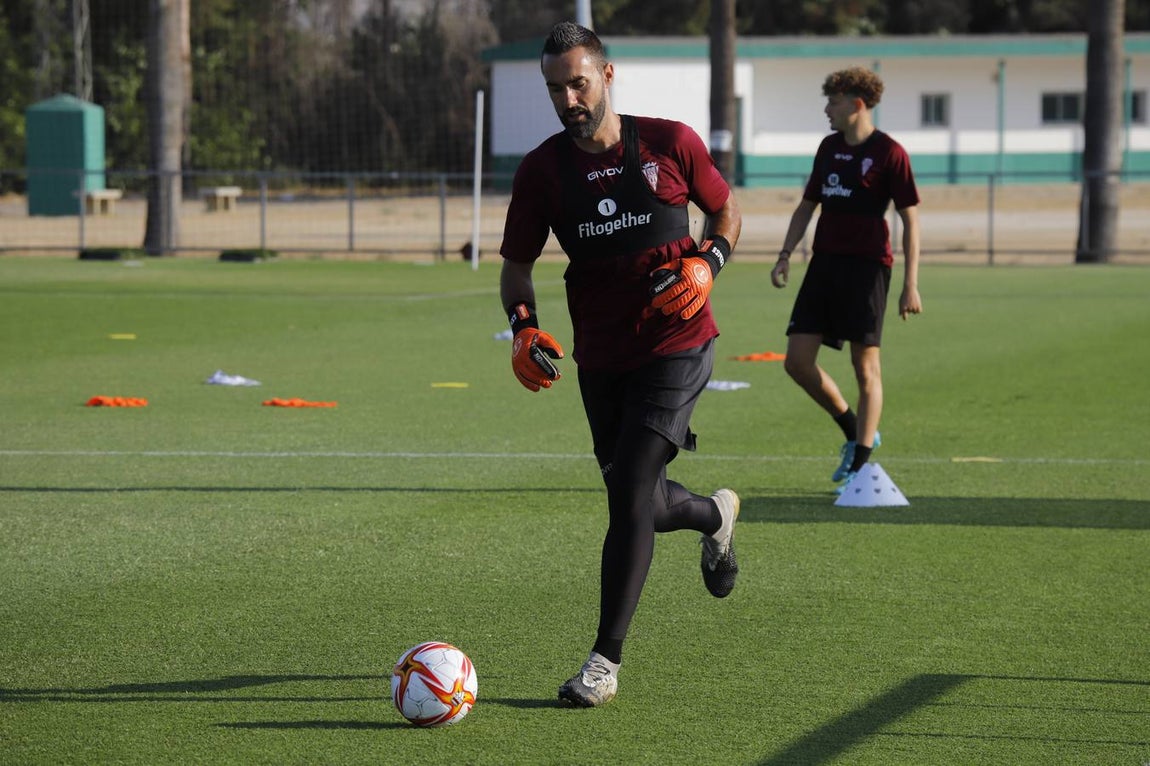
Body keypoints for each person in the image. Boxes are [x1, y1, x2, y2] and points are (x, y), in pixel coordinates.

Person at [499, 21, 743, 708]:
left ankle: (603, 662)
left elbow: (726, 212)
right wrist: (523, 329)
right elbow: (516, 271)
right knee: (638, 498)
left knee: (634, 484)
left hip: (680, 340)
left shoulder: (670, 142)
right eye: (555, 89)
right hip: (601, 355)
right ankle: (714, 515)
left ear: (608, 75)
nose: (568, 99)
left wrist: (708, 263)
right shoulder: (543, 171)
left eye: (578, 82)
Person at [771, 67, 922, 494]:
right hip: (824, 265)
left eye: (833, 102)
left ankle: (861, 462)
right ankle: (854, 429)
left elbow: (911, 220)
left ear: (857, 105)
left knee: (865, 366)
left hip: (869, 268)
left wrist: (911, 284)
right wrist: (784, 255)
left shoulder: (890, 153)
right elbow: (806, 207)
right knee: (796, 362)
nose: (826, 110)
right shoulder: (828, 148)